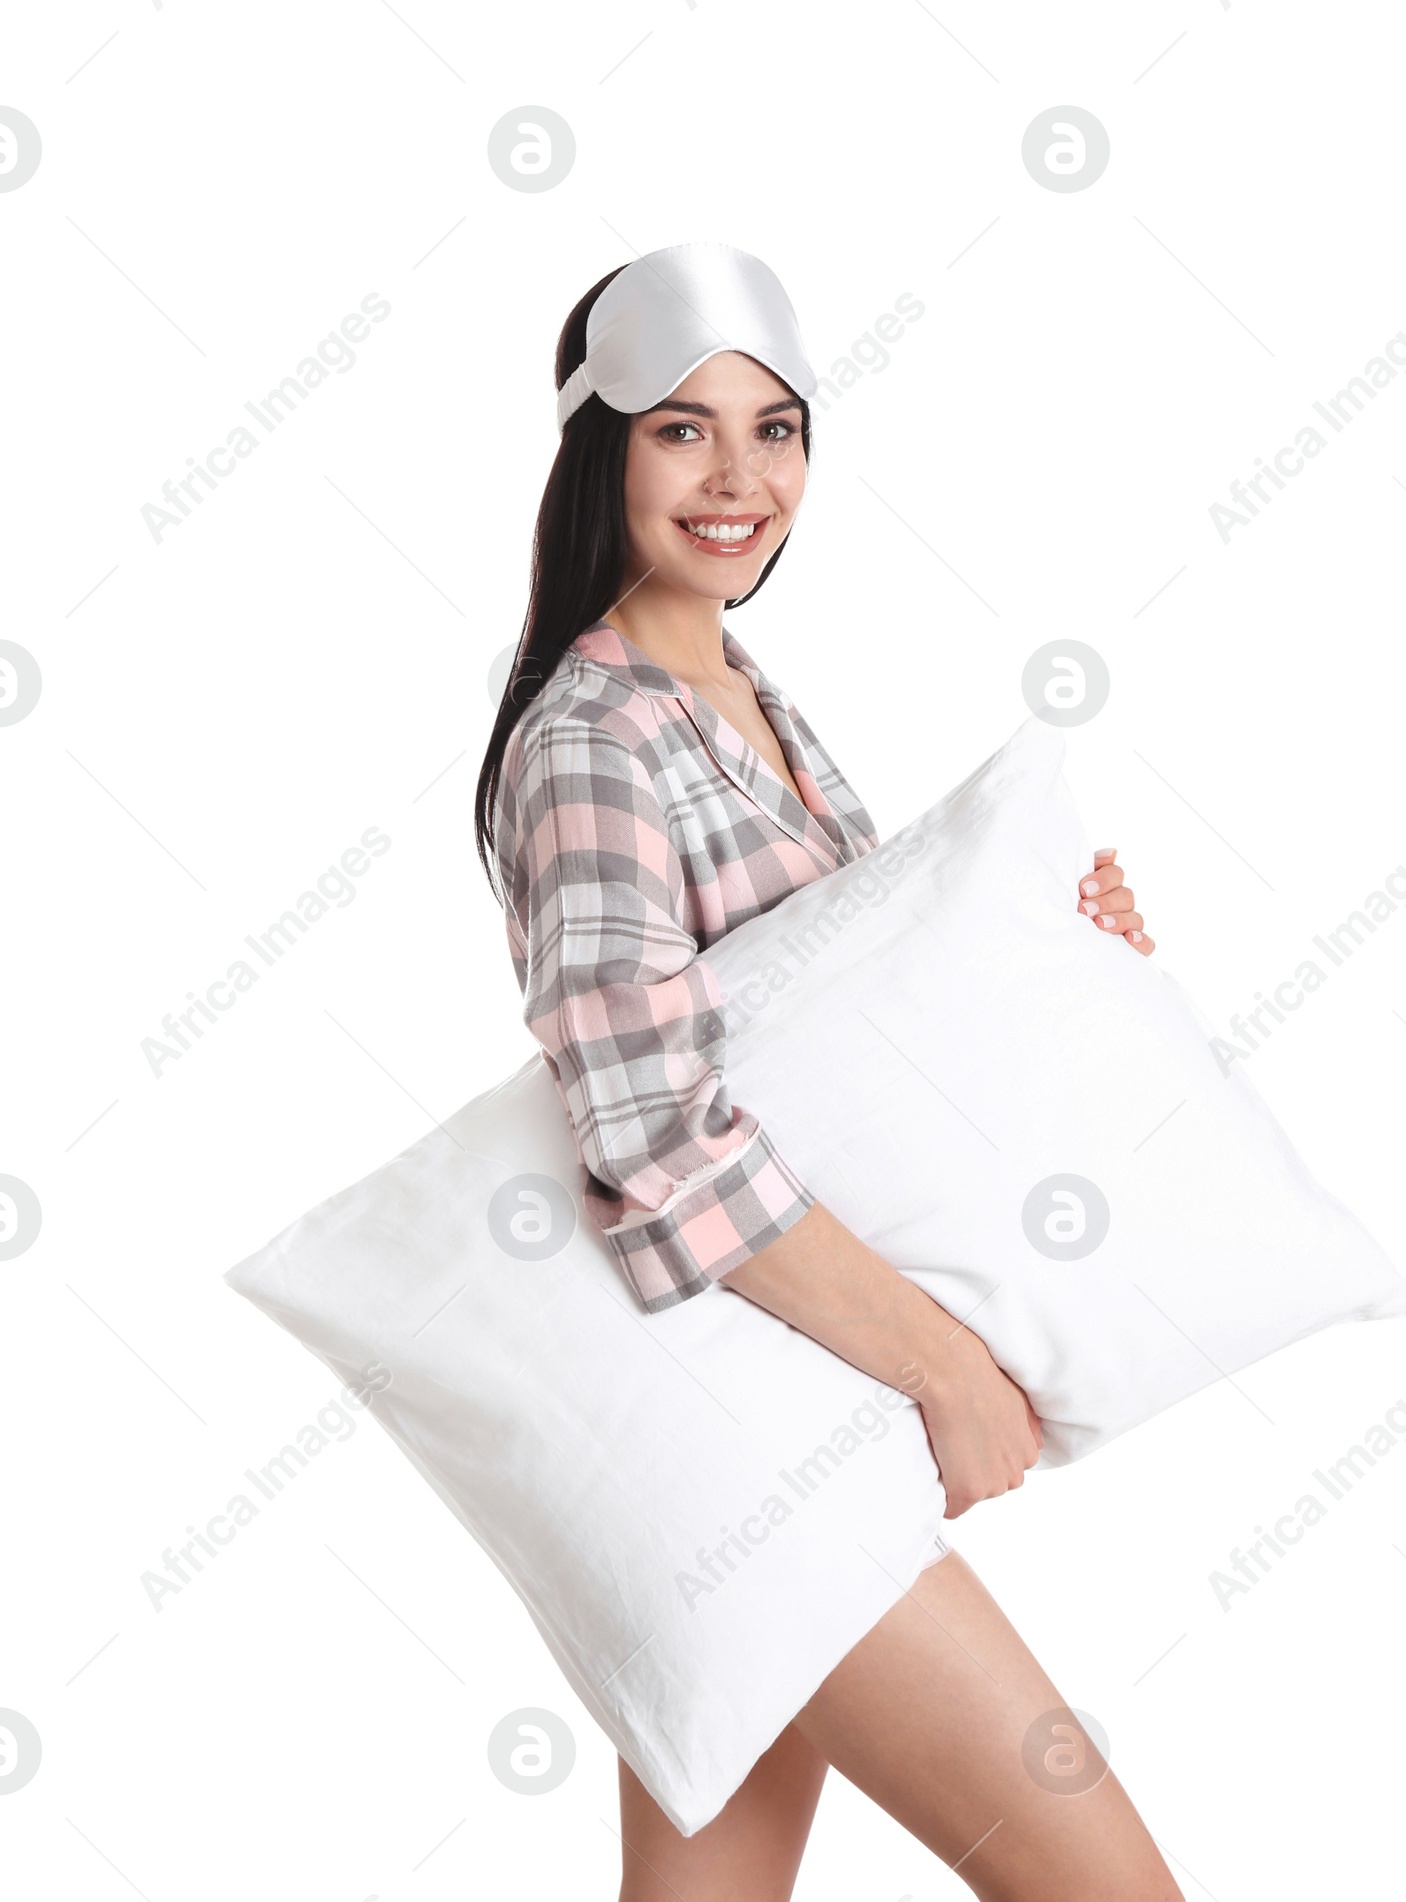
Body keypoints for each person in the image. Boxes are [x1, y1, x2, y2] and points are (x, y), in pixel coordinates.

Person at [474, 245, 1179, 1902]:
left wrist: (1066, 948)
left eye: (776, 429)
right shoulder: (595, 737)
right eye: (682, 431)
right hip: (739, 1439)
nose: (740, 479)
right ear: (602, 453)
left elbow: (855, 1037)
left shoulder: (742, 695)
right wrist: (940, 1365)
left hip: (776, 1416)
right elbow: (649, 1128)